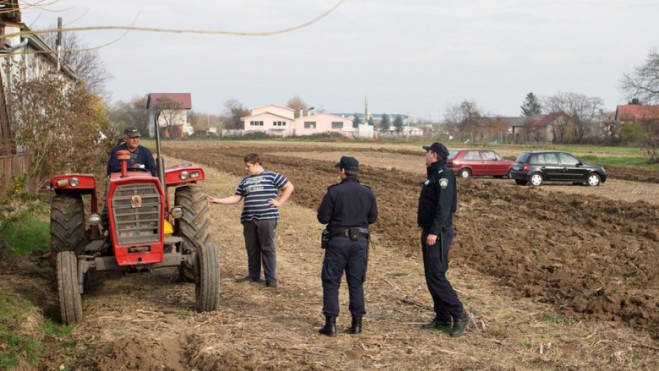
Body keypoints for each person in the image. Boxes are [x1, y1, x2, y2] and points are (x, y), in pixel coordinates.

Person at [207, 153, 294, 288]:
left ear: (257, 164)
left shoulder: (273, 176)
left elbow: (289, 187)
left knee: (267, 248)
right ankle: (253, 277)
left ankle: (270, 280)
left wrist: (279, 202)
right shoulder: (245, 180)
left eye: (248, 166)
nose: (246, 169)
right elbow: (236, 198)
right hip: (249, 219)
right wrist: (218, 201)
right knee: (252, 248)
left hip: (267, 218)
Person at [316, 156, 378, 336]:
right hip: (359, 242)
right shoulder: (368, 192)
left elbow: (323, 218)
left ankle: (331, 324)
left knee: (331, 281)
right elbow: (372, 218)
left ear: (342, 171)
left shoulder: (334, 192)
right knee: (356, 282)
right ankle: (357, 324)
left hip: (338, 241)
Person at [418, 142, 469, 337]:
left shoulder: (444, 176)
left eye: (428, 152)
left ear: (435, 155)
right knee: (431, 275)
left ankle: (460, 314)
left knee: (437, 275)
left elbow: (444, 207)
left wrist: (434, 231)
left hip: (438, 233)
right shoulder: (434, 174)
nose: (426, 155)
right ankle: (442, 316)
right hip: (430, 231)